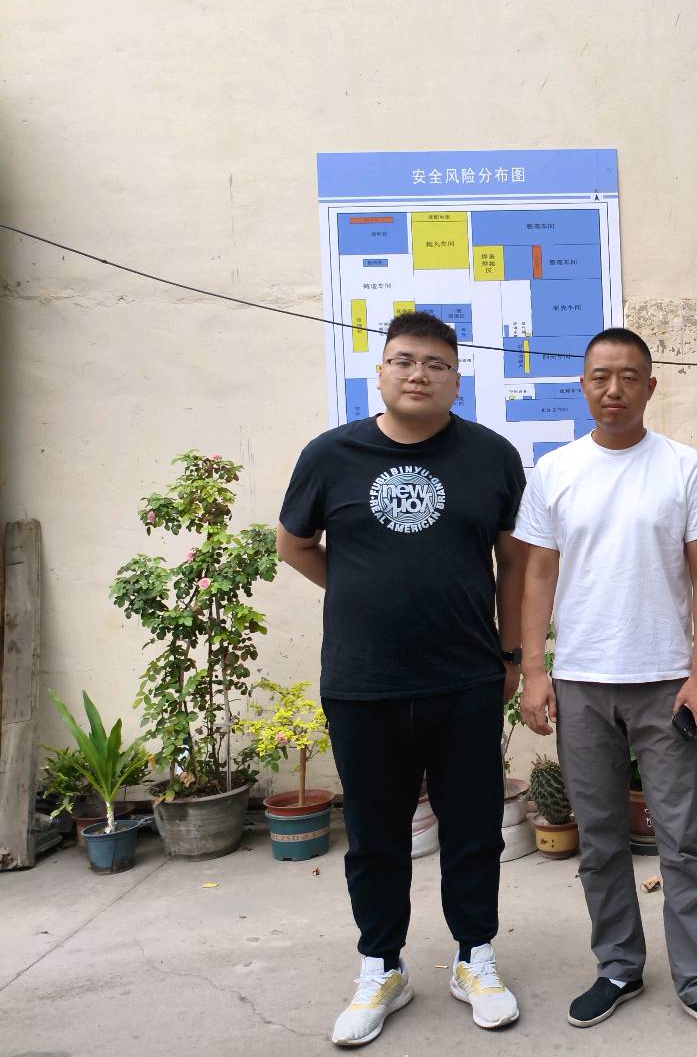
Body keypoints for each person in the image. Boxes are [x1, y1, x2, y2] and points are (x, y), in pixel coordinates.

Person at [277, 310, 527, 1047]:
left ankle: (475, 958)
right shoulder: (331, 455)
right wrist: (362, 591)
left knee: (474, 831)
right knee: (375, 836)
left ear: (457, 379)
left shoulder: (491, 457)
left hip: (466, 678)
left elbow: (513, 561)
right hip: (364, 682)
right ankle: (381, 966)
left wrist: (512, 654)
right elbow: (294, 545)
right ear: (381, 372)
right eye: (405, 361)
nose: (419, 375)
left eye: (436, 364)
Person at [513, 327, 697, 1049]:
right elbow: (539, 574)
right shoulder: (555, 471)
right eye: (599, 376)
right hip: (582, 683)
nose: (613, 389)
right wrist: (533, 670)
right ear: (583, 385)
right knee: (600, 839)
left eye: (628, 376)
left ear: (650, 385)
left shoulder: (682, 467)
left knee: (684, 840)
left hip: (666, 683)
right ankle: (618, 967)